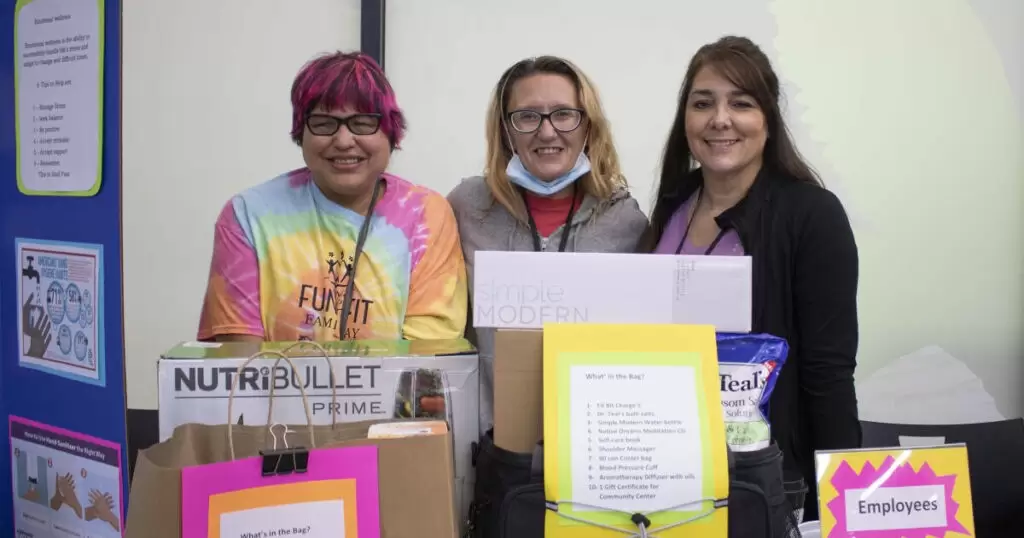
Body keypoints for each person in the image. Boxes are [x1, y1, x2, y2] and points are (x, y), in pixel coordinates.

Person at [640, 36, 860, 520]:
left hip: (765, 482)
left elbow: (829, 376)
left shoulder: (811, 215)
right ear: (685, 121)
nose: (720, 119)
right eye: (703, 103)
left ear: (767, 119)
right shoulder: (674, 203)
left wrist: (842, 509)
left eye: (741, 102)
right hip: (665, 468)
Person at [198, 51, 468, 343]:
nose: (343, 141)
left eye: (363, 123)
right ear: (302, 133)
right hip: (279, 390)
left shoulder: (426, 215)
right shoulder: (248, 215)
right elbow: (240, 364)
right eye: (324, 124)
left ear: (391, 132)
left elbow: (425, 362)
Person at [447, 55, 649, 434]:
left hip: (595, 445)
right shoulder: (466, 207)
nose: (547, 131)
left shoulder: (627, 221)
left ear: (588, 125)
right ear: (505, 130)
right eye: (527, 116)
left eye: (563, 114)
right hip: (494, 447)